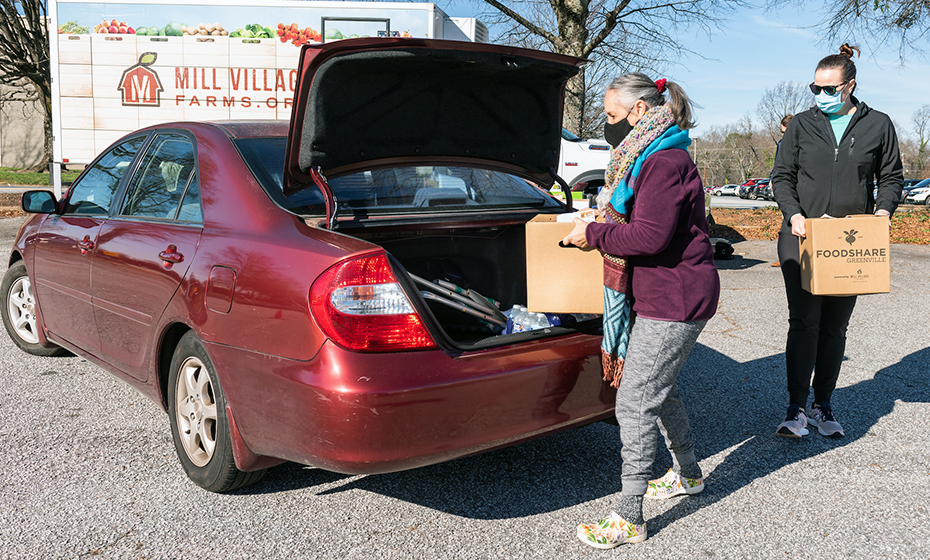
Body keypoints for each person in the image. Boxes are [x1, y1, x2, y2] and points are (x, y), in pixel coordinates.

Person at [563, 74, 720, 548]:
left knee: (634, 399)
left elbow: (648, 237)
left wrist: (592, 235)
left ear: (637, 112)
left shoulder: (662, 162)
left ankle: (629, 517)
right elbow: (641, 225)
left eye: (611, 116)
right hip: (663, 293)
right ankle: (689, 475)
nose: (607, 126)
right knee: (657, 387)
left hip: (676, 297)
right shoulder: (652, 155)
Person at [770, 44, 903, 439]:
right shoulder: (801, 125)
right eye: (816, 88)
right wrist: (794, 214)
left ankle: (822, 404)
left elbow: (891, 178)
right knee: (805, 321)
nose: (821, 96)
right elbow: (781, 176)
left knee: (834, 328)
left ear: (851, 86)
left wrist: (882, 213)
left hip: (850, 243)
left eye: (830, 89)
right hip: (802, 237)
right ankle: (795, 409)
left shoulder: (878, 124)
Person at [771, 114, 794, 267]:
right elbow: (778, 163)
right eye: (783, 133)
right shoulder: (782, 144)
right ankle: (786, 256)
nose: (785, 136)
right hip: (786, 186)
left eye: (787, 132)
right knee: (786, 219)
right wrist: (773, 179)